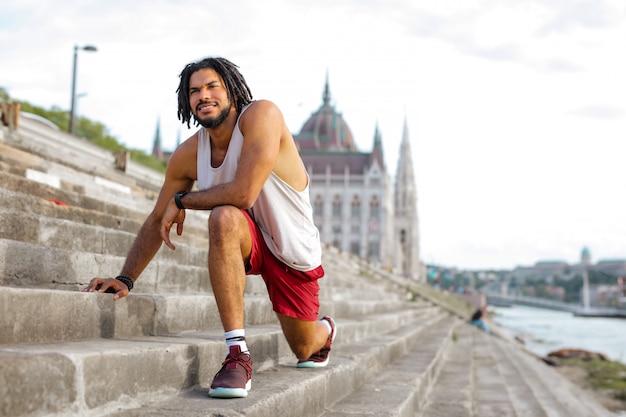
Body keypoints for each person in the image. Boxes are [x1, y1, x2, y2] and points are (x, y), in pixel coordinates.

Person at [83, 57, 336, 399]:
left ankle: (325, 329)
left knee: (306, 349)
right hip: (244, 235)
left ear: (231, 90)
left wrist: (184, 199)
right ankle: (237, 354)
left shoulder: (262, 115)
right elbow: (159, 217)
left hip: (291, 249)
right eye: (194, 91)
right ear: (186, 101)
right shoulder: (188, 155)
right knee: (223, 217)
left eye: (212, 86)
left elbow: (245, 193)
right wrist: (126, 277)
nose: (203, 95)